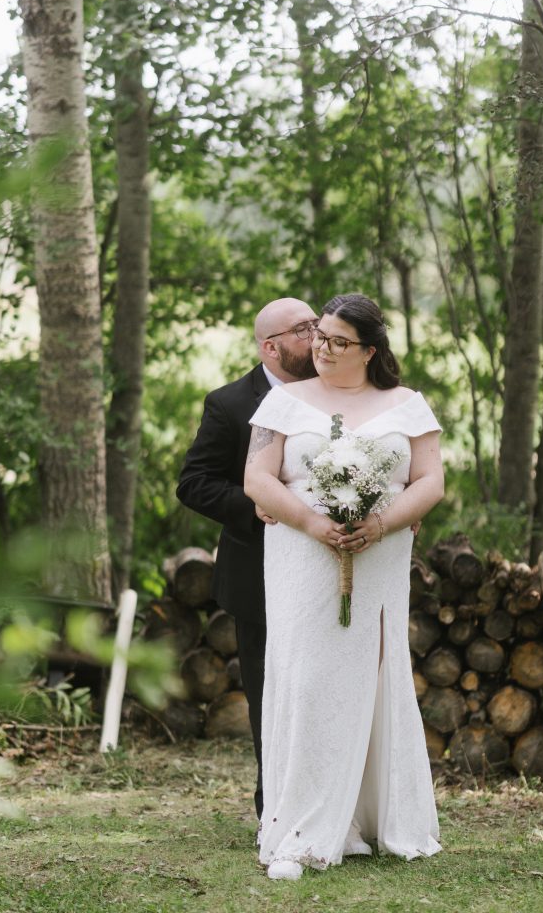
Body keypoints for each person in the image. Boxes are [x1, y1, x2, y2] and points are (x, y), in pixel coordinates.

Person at [244, 293, 444, 881]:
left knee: (372, 672)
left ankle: (383, 819)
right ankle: (302, 823)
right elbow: (257, 476)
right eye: (319, 336)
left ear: (369, 350)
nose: (322, 349)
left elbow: (430, 480)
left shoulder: (407, 406)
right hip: (302, 558)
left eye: (337, 341)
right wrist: (311, 522)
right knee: (307, 677)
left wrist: (381, 522)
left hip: (379, 557)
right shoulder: (283, 400)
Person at [176, 297, 318, 819]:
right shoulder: (231, 403)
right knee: (269, 693)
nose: (317, 336)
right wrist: (256, 506)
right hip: (257, 573)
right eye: (304, 329)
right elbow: (193, 484)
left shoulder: (338, 395)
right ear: (270, 346)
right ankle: (275, 808)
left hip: (329, 568)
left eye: (317, 325)